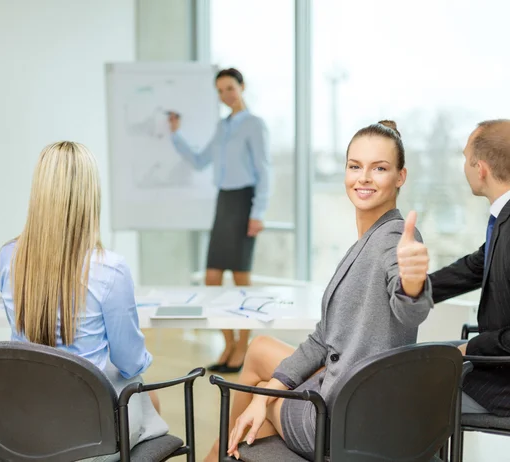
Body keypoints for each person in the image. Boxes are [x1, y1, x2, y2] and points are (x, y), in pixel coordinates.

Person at [203, 120, 433, 461]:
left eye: (379, 168)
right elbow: (323, 338)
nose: (364, 178)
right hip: (350, 399)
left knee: (254, 404)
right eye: (355, 166)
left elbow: (410, 308)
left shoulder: (394, 240)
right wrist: (266, 395)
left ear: (401, 176)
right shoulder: (368, 240)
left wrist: (413, 284)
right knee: (260, 364)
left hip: (342, 420)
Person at [0, 141, 168, 456]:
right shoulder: (109, 268)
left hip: (26, 421)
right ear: (90, 196)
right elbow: (129, 362)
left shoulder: (9, 256)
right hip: (89, 430)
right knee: (145, 395)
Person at [167, 68, 271, 373]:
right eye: (221, 91)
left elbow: (265, 170)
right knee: (212, 278)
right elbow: (201, 160)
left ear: (242, 87)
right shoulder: (222, 127)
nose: (226, 95)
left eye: (230, 88)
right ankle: (228, 342)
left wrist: (258, 213)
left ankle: (243, 346)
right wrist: (176, 134)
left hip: (244, 202)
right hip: (224, 202)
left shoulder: (254, 124)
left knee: (241, 279)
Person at [429, 119, 510, 417]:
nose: (463, 167)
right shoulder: (504, 220)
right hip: (496, 363)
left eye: (465, 158)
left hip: (501, 382)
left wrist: (471, 347)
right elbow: (477, 265)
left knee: (408, 384)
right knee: (418, 360)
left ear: (481, 168)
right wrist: (415, 289)